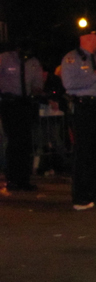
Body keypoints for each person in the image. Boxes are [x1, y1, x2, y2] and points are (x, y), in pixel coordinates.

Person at [60, 26, 96, 210]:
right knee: (83, 153)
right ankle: (81, 196)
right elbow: (69, 84)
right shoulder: (72, 58)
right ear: (89, 37)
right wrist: (94, 77)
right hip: (83, 108)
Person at [0, 41, 44, 191]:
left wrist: (38, 93)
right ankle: (12, 178)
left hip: (26, 104)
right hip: (9, 103)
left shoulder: (33, 62)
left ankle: (23, 179)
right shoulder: (5, 58)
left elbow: (38, 84)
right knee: (13, 141)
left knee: (25, 142)